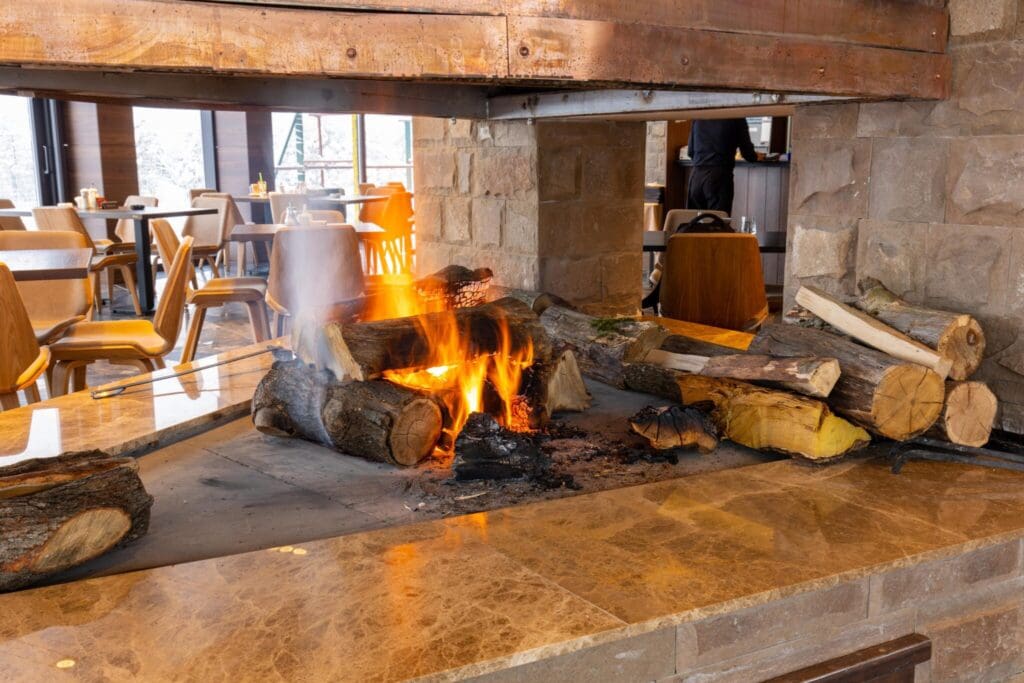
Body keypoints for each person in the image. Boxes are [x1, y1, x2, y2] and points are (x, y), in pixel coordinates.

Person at [686, 118, 759, 214]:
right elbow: (748, 154)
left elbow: (690, 151)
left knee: (694, 224)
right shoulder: (736, 117)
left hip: (696, 177)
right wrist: (757, 156)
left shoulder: (699, 117)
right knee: (718, 224)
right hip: (719, 177)